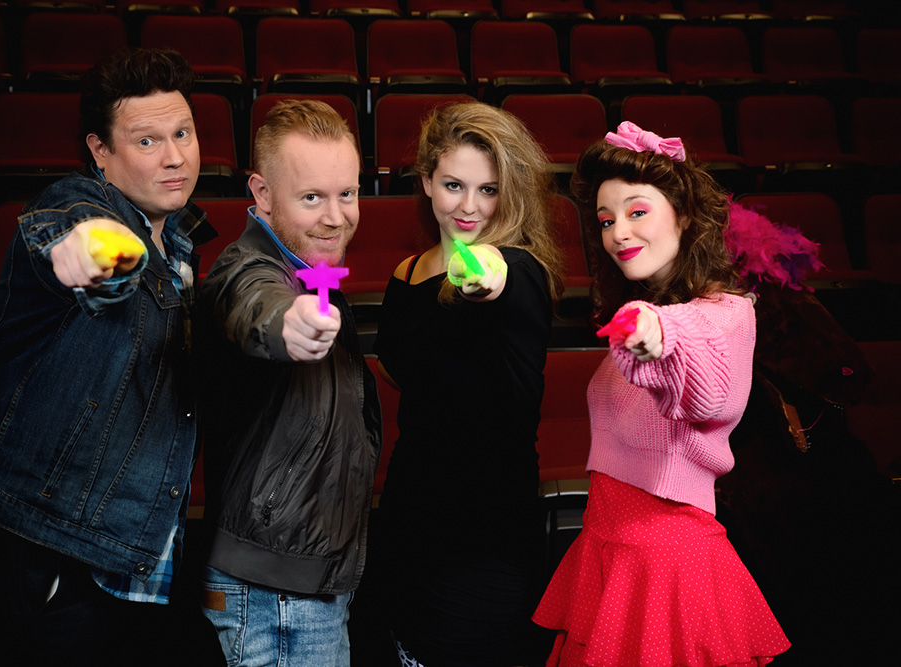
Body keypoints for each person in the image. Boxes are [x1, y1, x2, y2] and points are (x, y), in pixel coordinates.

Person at [0, 48, 215, 665]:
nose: (175, 156)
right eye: (147, 140)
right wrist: (91, 253)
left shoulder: (184, 246)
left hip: (127, 564)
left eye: (183, 133)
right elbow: (78, 234)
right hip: (41, 558)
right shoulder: (74, 203)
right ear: (100, 152)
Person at [532, 122, 791, 667]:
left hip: (666, 557)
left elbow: (706, 390)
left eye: (637, 211)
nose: (618, 233)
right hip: (608, 540)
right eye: (606, 220)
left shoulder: (722, 315)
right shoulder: (644, 305)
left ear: (686, 216)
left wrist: (655, 336)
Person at [368, 101, 564, 667]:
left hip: (486, 529)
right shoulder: (406, 274)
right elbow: (397, 367)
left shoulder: (516, 267)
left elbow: (491, 277)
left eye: (489, 190)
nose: (471, 206)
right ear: (427, 181)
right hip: (409, 511)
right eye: (454, 185)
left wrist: (479, 276)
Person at [195, 99, 382, 667]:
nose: (335, 216)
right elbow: (255, 305)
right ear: (262, 195)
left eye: (346, 194)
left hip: (301, 587)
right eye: (311, 198)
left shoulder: (312, 268)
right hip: (276, 599)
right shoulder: (246, 269)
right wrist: (289, 324)